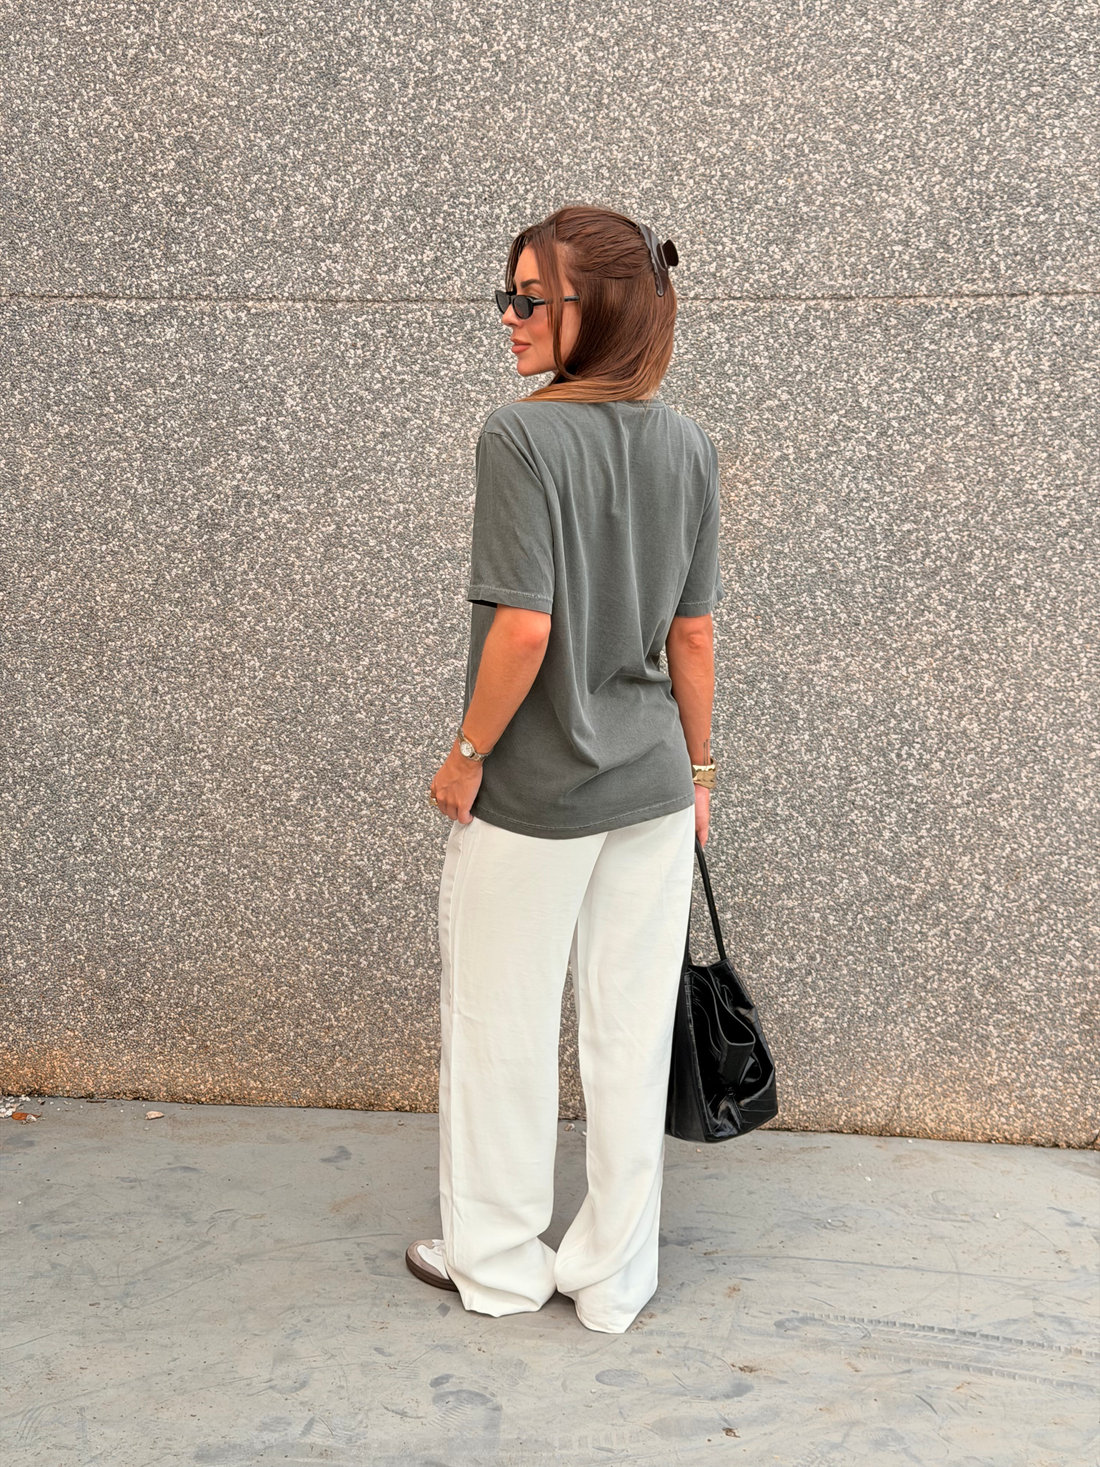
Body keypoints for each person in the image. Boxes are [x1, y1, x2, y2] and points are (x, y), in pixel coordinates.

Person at [405, 205, 721, 1335]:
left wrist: (465, 755)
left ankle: (496, 1266)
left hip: (532, 796)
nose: (509, 317)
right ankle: (614, 1277)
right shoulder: (687, 447)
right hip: (652, 792)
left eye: (529, 299)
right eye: (507, 296)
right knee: (629, 1037)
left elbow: (525, 629)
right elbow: (692, 637)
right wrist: (699, 776)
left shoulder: (520, 437)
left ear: (604, 310)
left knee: (500, 1025)